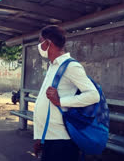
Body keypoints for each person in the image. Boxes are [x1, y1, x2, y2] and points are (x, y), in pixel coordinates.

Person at [33, 25, 100, 161]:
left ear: (48, 43)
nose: (39, 46)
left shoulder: (71, 66)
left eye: (40, 42)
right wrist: (41, 137)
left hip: (62, 141)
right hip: (50, 137)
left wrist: (60, 101)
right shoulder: (53, 66)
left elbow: (93, 95)